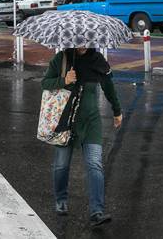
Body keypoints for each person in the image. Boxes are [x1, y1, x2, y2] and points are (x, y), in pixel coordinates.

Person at [41, 47, 123, 227]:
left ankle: (97, 211)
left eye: (86, 41)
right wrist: (64, 80)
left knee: (95, 164)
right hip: (66, 121)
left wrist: (117, 111)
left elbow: (109, 87)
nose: (82, 44)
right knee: (61, 165)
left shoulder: (97, 60)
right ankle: (61, 199)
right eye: (79, 41)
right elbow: (45, 83)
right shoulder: (62, 59)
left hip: (91, 121)